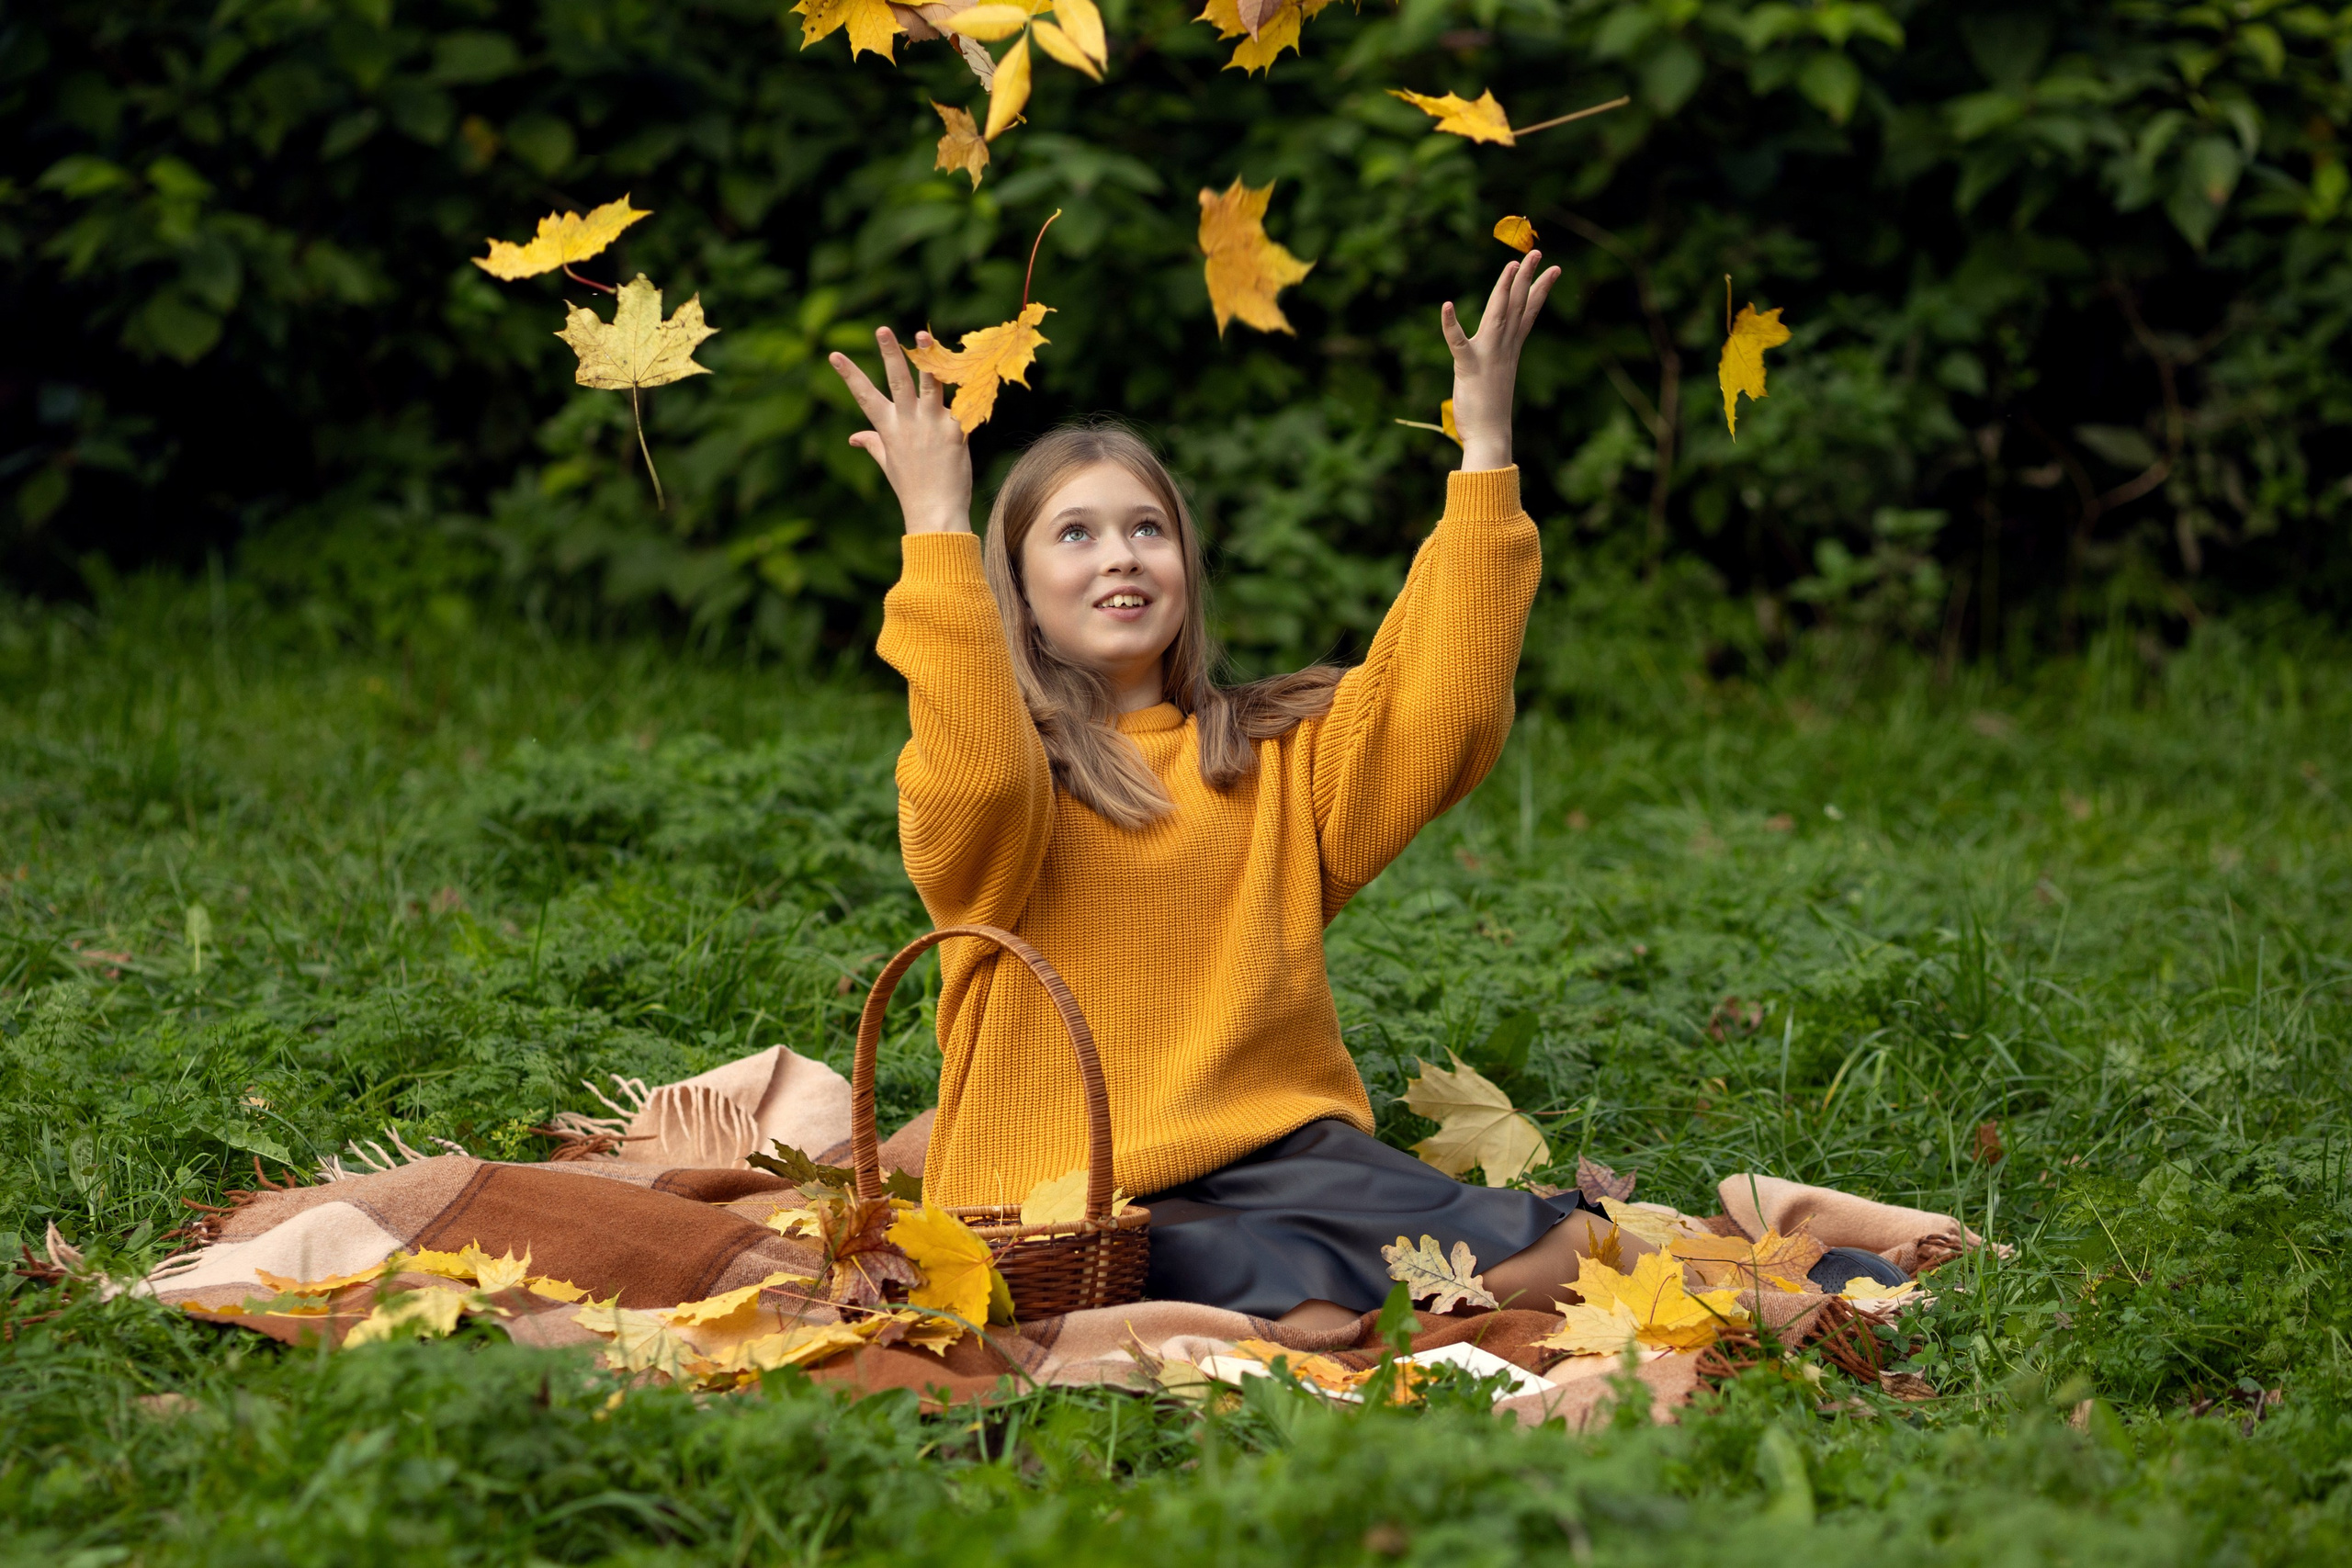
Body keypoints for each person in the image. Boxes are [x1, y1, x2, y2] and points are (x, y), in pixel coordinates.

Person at [828, 252, 1625, 1332]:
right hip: (1077, 1186)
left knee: (1576, 1252)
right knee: (1267, 1308)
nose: (1121, 555)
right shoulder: (1012, 785)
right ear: (1012, 591)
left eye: (1146, 528)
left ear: (1185, 567)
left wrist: (1483, 450)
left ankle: (1343, 1326)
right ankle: (1310, 1337)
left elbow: (1442, 714)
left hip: (1286, 1149)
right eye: (1075, 534)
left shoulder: (1267, 757)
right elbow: (973, 767)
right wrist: (937, 527)